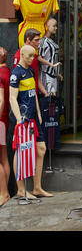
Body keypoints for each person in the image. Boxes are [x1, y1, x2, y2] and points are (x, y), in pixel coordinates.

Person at [9, 45, 53, 198]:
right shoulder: (16, 73)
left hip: (34, 117)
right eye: (29, 56)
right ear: (22, 54)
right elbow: (12, 98)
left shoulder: (31, 71)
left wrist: (39, 113)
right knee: (20, 151)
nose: (32, 59)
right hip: (24, 118)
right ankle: (21, 189)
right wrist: (19, 118)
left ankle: (37, 187)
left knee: (41, 149)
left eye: (33, 56)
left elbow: (34, 93)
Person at [13, 28, 48, 98]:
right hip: (25, 98)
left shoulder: (32, 54)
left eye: (39, 40)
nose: (39, 42)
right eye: (36, 40)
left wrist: (45, 92)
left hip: (33, 96)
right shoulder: (19, 56)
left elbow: (35, 76)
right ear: (28, 40)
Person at [38, 18, 62, 96]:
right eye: (54, 26)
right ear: (47, 27)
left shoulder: (51, 41)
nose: (56, 28)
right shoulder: (43, 42)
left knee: (53, 99)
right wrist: (51, 65)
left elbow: (52, 57)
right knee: (49, 98)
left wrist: (57, 72)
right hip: (46, 74)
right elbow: (39, 57)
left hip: (52, 75)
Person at [0, 47, 11, 207]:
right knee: (3, 156)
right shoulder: (8, 71)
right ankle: (5, 191)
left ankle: (3, 193)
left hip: (0, 118)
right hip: (5, 119)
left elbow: (0, 99)